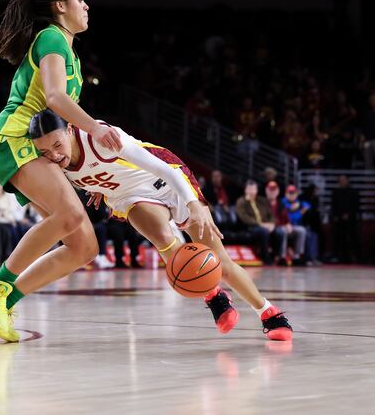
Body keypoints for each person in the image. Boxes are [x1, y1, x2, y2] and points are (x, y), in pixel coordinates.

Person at [30, 109, 293, 340]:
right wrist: (97, 186)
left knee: (220, 262)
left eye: (57, 145)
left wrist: (194, 204)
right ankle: (213, 294)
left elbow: (166, 170)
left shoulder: (101, 139)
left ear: (70, 130)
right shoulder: (52, 164)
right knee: (164, 240)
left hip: (165, 178)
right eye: (45, 151)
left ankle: (268, 312)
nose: (54, 155)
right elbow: (89, 172)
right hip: (130, 196)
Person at [0, 0, 122, 342]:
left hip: (38, 145)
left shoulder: (71, 53)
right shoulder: (51, 37)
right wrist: (96, 129)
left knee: (83, 247)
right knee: (70, 214)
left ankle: (4, 301)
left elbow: (60, 123)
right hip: (14, 137)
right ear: (60, 5)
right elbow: (55, 97)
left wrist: (88, 174)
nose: (86, 6)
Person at [330, 175, 360, 263]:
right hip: (338, 220)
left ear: (347, 180)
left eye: (343, 180)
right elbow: (333, 206)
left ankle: (354, 256)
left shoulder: (353, 192)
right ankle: (337, 256)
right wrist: (336, 216)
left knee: (352, 237)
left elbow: (356, 205)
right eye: (340, 180)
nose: (342, 182)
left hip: (351, 220)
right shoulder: (336, 192)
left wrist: (348, 214)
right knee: (338, 237)